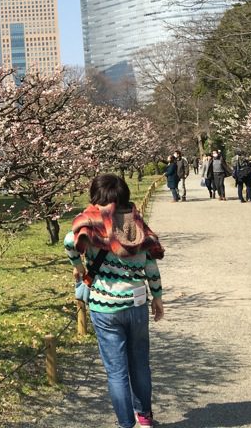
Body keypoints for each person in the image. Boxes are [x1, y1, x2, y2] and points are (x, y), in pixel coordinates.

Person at [64, 174, 165, 428]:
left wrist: (78, 266)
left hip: (105, 307)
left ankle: (126, 424)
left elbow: (68, 241)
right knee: (140, 364)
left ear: (96, 196)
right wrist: (157, 297)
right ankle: (145, 417)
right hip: (136, 304)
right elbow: (151, 265)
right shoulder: (136, 225)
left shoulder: (92, 223)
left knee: (117, 372)